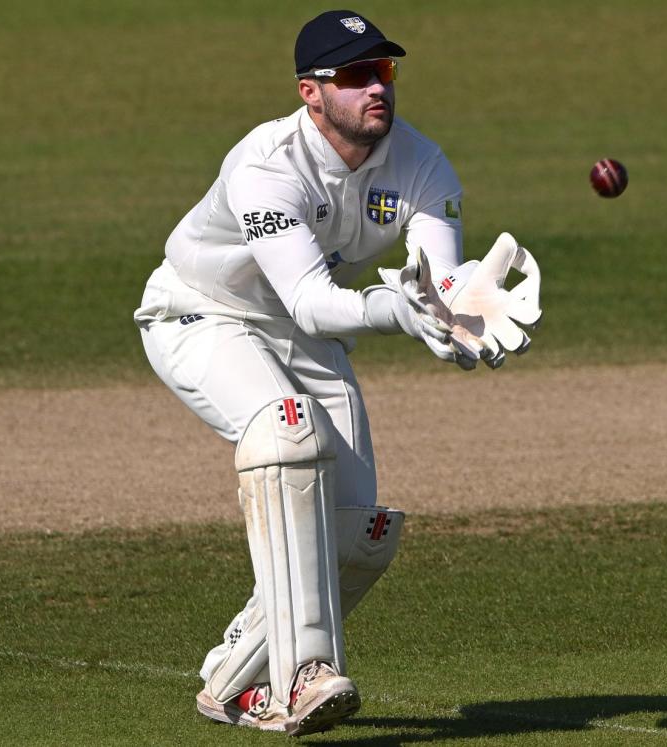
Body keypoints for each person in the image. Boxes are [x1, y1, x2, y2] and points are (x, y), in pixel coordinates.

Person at [132, 9, 541, 737]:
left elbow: (436, 285)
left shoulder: (422, 164)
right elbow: (315, 303)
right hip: (203, 314)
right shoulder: (265, 164)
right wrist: (399, 310)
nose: (375, 88)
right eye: (353, 76)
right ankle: (303, 675)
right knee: (287, 436)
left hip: (303, 338)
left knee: (363, 529)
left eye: (382, 71)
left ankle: (233, 680)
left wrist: (453, 319)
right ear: (309, 93)